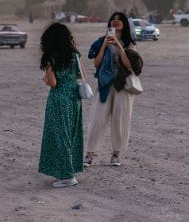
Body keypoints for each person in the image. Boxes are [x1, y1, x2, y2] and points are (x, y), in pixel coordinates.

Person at [84, 12, 143, 168]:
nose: (116, 22)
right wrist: (104, 45)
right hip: (104, 85)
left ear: (124, 23)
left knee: (120, 120)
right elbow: (96, 64)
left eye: (119, 20)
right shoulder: (101, 41)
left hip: (122, 86)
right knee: (97, 119)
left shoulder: (130, 43)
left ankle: (115, 154)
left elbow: (130, 66)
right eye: (113, 20)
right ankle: (89, 154)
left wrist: (118, 46)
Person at [38, 22, 83, 188]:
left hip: (59, 100)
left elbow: (53, 82)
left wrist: (45, 78)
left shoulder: (52, 57)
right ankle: (70, 170)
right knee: (71, 136)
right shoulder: (74, 55)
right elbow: (79, 75)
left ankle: (67, 176)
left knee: (60, 137)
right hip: (74, 99)